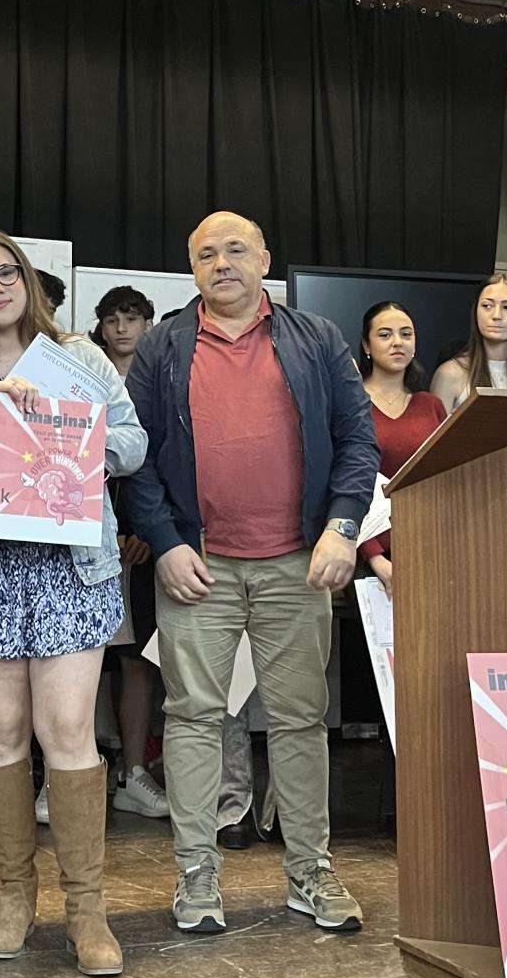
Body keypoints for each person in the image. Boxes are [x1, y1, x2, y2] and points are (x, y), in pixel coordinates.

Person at [125, 211, 379, 936]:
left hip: (298, 563)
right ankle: (196, 874)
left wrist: (341, 528)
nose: (223, 262)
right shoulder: (163, 346)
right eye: (206, 254)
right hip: (196, 567)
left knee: (300, 720)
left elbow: (357, 442)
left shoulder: (317, 338)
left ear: (265, 256)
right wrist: (166, 542)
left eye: (236, 249)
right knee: (195, 718)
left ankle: (309, 872)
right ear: (192, 267)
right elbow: (136, 457)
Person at [0, 230, 147, 978]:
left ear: (29, 281)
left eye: (6, 272)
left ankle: (87, 910)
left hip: (67, 565)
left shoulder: (76, 359)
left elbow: (133, 443)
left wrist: (54, 415)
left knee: (68, 731)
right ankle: (14, 898)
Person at [92, 285, 169, 819]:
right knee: (79, 660)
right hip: (88, 534)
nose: (122, 328)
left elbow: (158, 461)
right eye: (113, 318)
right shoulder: (83, 373)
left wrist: (148, 530)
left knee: (140, 656)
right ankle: (68, 774)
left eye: (132, 318)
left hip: (145, 541)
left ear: (148, 323)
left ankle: (134, 770)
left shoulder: (160, 377)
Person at [356, 301, 447, 596]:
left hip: (429, 550)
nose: (398, 342)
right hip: (366, 553)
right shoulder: (350, 404)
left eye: (406, 334)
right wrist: (373, 556)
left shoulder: (430, 405)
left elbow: (445, 478)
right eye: (384, 335)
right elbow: (342, 482)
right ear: (366, 346)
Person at [431, 271, 507, 413]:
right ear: (476, 312)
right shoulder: (449, 373)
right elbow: (437, 434)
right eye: (487, 306)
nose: (496, 316)